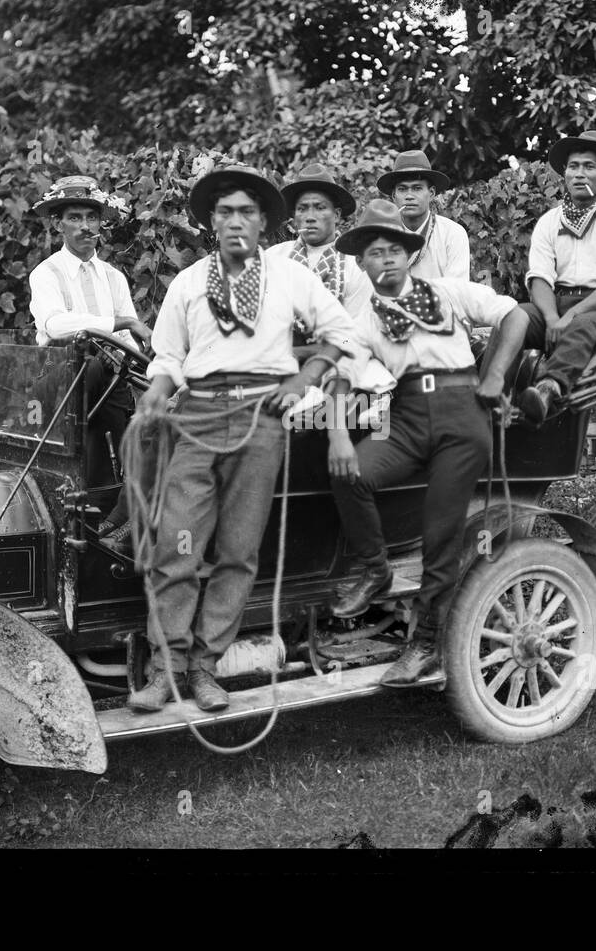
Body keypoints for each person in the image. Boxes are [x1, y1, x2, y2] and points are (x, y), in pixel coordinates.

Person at [128, 166, 360, 714]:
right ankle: (166, 669)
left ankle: (207, 670)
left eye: (247, 213)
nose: (236, 222)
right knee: (177, 546)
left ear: (262, 223)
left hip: (260, 424)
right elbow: (167, 356)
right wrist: (158, 392)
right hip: (197, 420)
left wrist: (302, 381)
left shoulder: (290, 279)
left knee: (237, 552)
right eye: (226, 212)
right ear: (211, 221)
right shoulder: (187, 282)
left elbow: (342, 334)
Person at [326, 200, 529, 687]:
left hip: (462, 416)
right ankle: (375, 569)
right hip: (409, 416)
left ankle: (426, 644)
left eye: (396, 248)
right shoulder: (365, 322)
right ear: (362, 263)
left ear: (408, 254)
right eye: (376, 252)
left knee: (440, 532)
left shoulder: (447, 292)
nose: (388, 258)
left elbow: (515, 315)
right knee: (350, 472)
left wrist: (495, 374)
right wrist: (337, 437)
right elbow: (339, 377)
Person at [28, 175, 152, 526]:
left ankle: (110, 524)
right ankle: (68, 508)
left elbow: (128, 347)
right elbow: (54, 325)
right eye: (75, 218)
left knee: (114, 460)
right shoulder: (46, 273)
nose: (85, 227)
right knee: (92, 369)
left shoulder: (113, 277)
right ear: (58, 224)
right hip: (61, 383)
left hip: (110, 383)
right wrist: (121, 322)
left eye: (92, 218)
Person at [512, 131, 596, 423]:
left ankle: (548, 390)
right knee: (514, 316)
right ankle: (491, 393)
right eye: (573, 166)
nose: (579, 174)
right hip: (555, 306)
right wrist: (550, 318)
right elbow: (540, 277)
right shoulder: (549, 221)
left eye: (589, 166)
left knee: (582, 326)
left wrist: (571, 317)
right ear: (565, 173)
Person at [264, 162, 372, 360]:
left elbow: (355, 334)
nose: (310, 217)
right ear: (294, 217)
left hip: (336, 362)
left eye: (320, 208)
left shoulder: (354, 264)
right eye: (302, 209)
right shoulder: (274, 257)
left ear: (337, 215)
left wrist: (301, 353)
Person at [377, 149, 471, 281]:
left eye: (417, 188)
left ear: (431, 193)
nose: (409, 196)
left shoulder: (452, 234)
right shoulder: (382, 236)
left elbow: (456, 292)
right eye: (402, 189)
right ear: (394, 196)